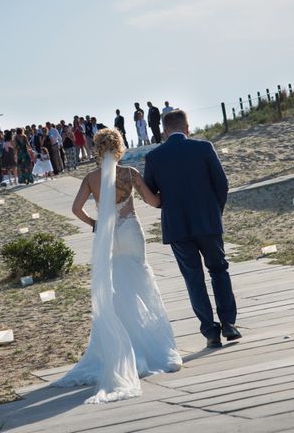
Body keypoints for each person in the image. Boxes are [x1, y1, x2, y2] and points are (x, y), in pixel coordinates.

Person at [52, 128, 181, 403]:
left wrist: (95, 224)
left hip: (107, 235)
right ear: (119, 146)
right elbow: (154, 201)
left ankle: (125, 348)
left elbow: (76, 209)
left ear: (97, 150)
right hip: (131, 230)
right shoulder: (130, 174)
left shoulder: (90, 178)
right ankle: (147, 346)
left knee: (117, 288)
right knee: (139, 283)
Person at [144, 109, 241, 348]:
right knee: (219, 270)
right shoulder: (204, 148)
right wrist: (215, 212)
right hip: (208, 222)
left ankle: (210, 332)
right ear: (187, 128)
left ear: (165, 131)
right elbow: (222, 184)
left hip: (177, 227)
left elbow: (152, 195)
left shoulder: (154, 157)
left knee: (193, 279)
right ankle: (228, 323)